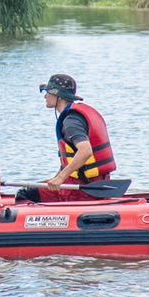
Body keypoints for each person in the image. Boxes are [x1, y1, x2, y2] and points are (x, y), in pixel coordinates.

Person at [17, 73, 116, 202]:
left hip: (79, 188)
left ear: (58, 96)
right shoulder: (78, 114)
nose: (45, 96)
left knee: (24, 194)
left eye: (48, 92)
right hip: (99, 183)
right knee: (41, 187)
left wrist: (60, 178)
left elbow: (85, 151)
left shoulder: (71, 122)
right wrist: (57, 177)